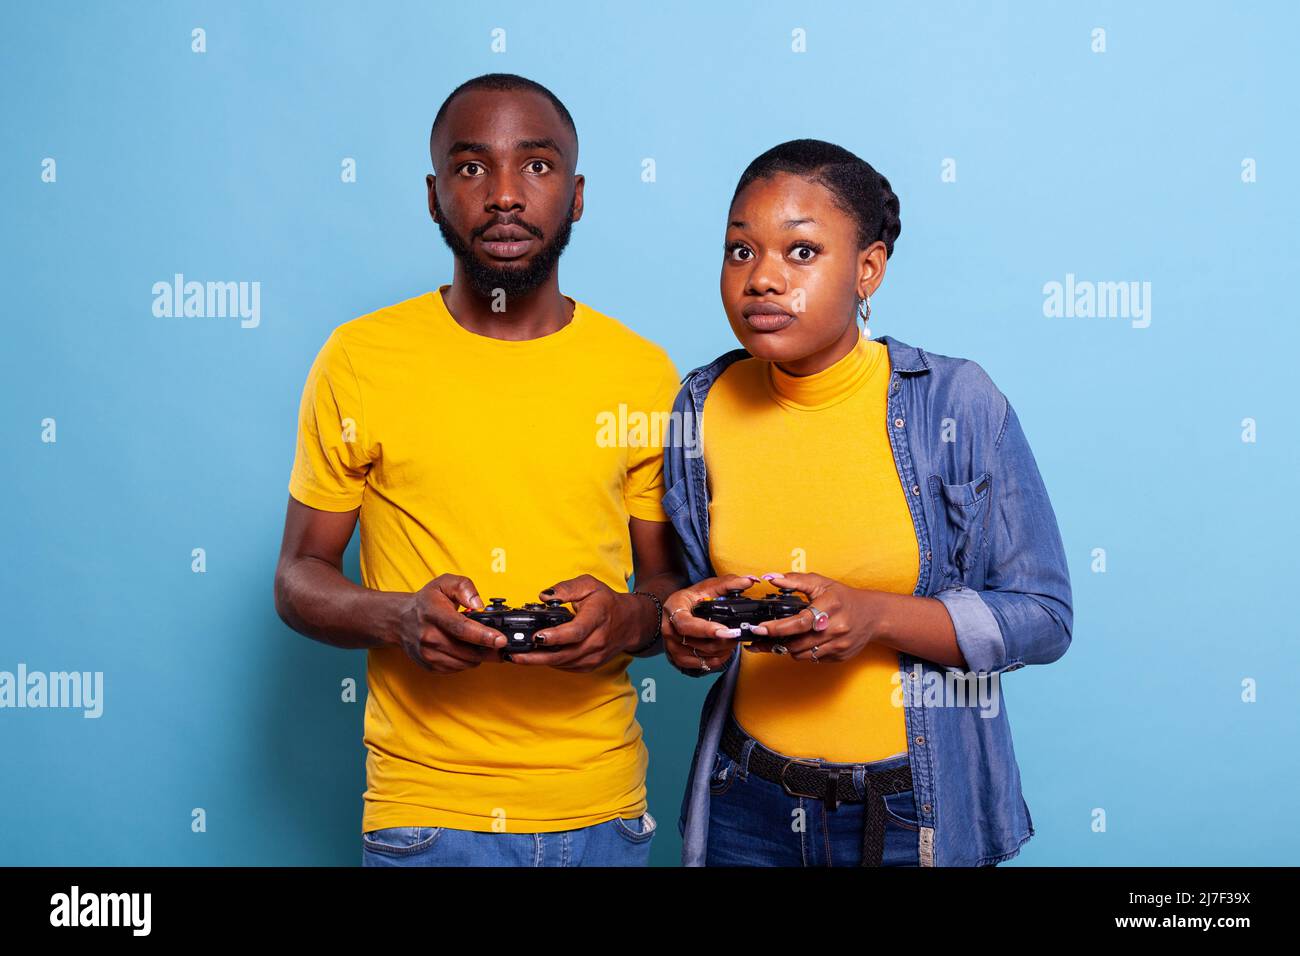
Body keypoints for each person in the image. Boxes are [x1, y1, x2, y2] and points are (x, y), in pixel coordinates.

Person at [273, 73, 684, 867]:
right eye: (471, 168)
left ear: (578, 193)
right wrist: (398, 619)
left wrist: (627, 621)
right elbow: (297, 576)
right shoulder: (359, 360)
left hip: (601, 814)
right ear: (434, 196)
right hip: (424, 814)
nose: (504, 195)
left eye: (536, 166)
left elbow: (667, 593)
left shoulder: (641, 374)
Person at [660, 139, 1073, 867]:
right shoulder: (700, 405)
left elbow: (1043, 616)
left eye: (801, 253)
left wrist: (874, 615)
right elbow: (694, 599)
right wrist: (689, 637)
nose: (762, 279)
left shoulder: (956, 402)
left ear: (868, 268)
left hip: (910, 809)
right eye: (739, 251)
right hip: (744, 804)